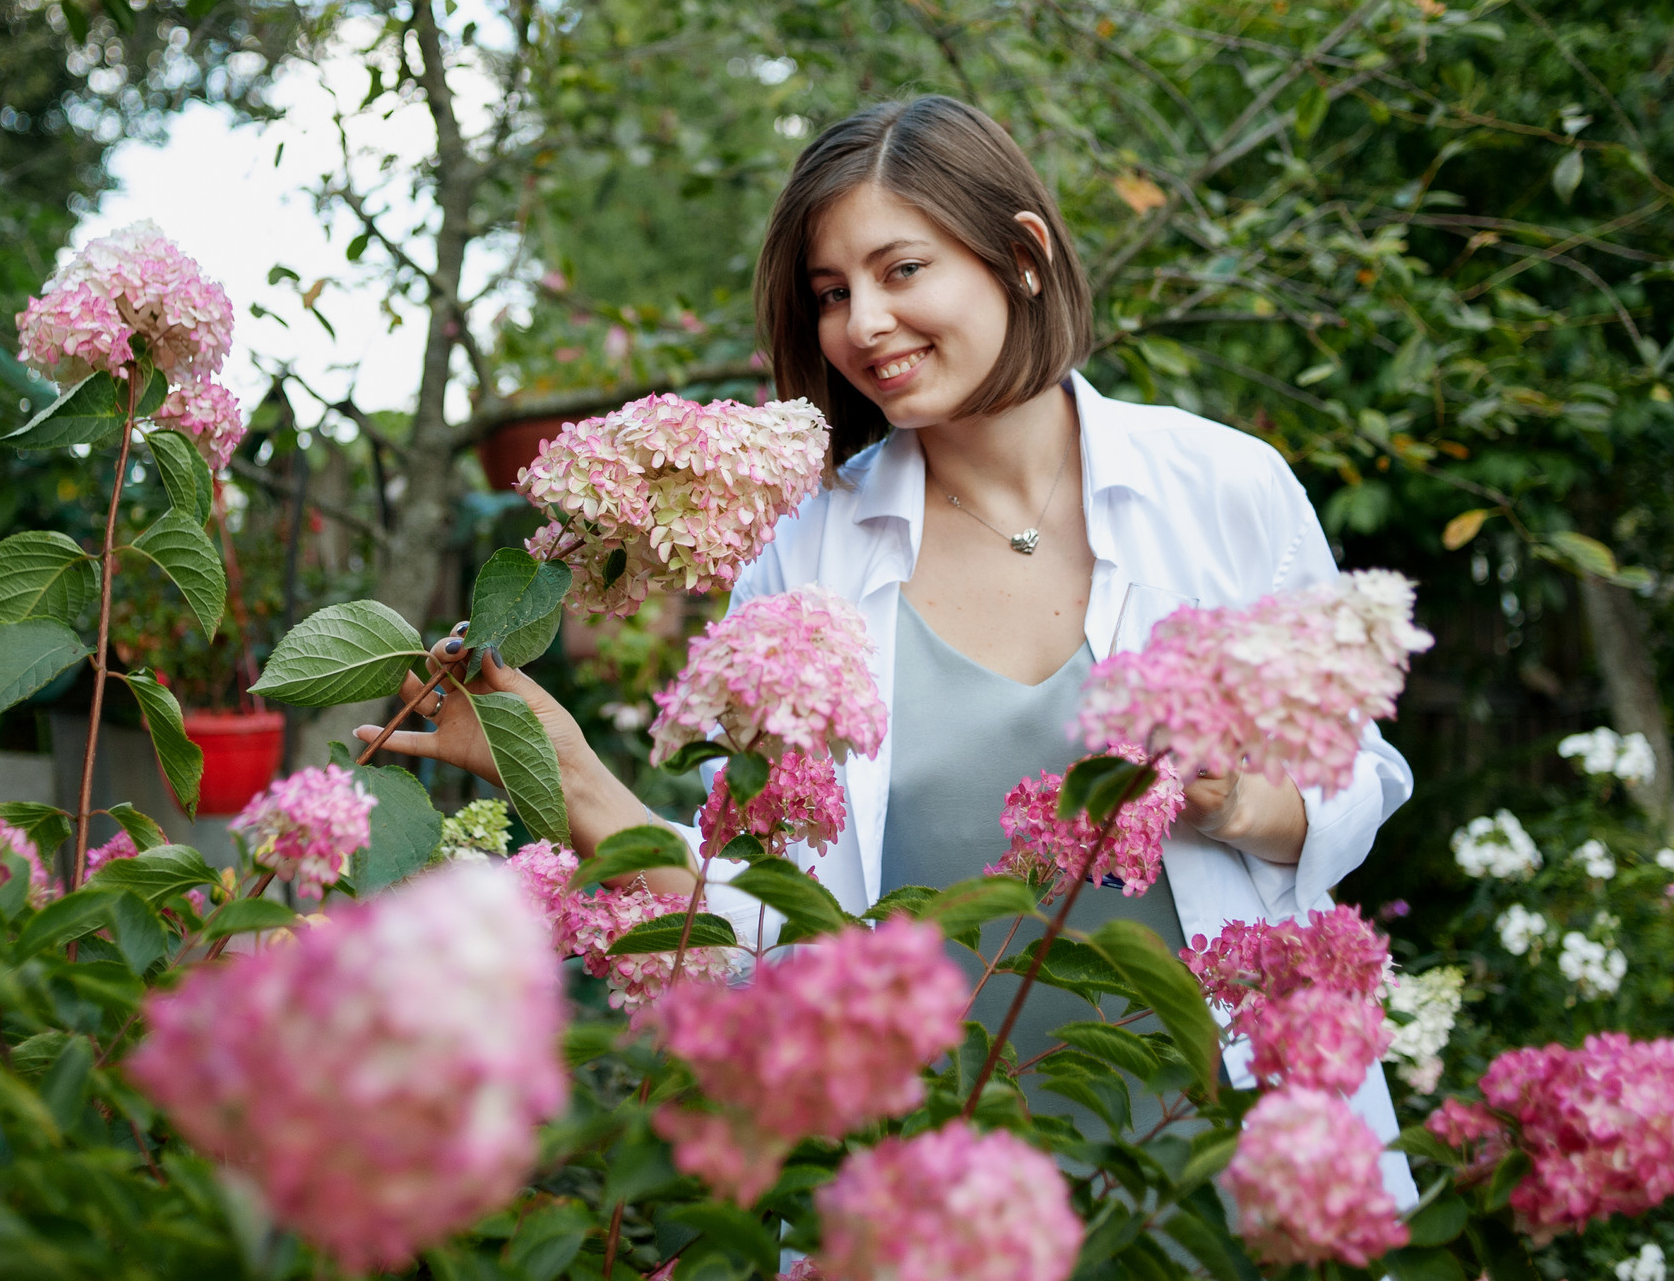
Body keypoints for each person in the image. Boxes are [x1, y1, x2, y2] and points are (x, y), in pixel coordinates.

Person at [358, 95, 1415, 1192]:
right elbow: (764, 913)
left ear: (1022, 256)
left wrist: (1241, 803)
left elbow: (1361, 777)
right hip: (919, 1185)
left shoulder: (1223, 489)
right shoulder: (801, 552)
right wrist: (563, 771)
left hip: (1217, 1162)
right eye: (830, 293)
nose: (861, 323)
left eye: (900, 270)